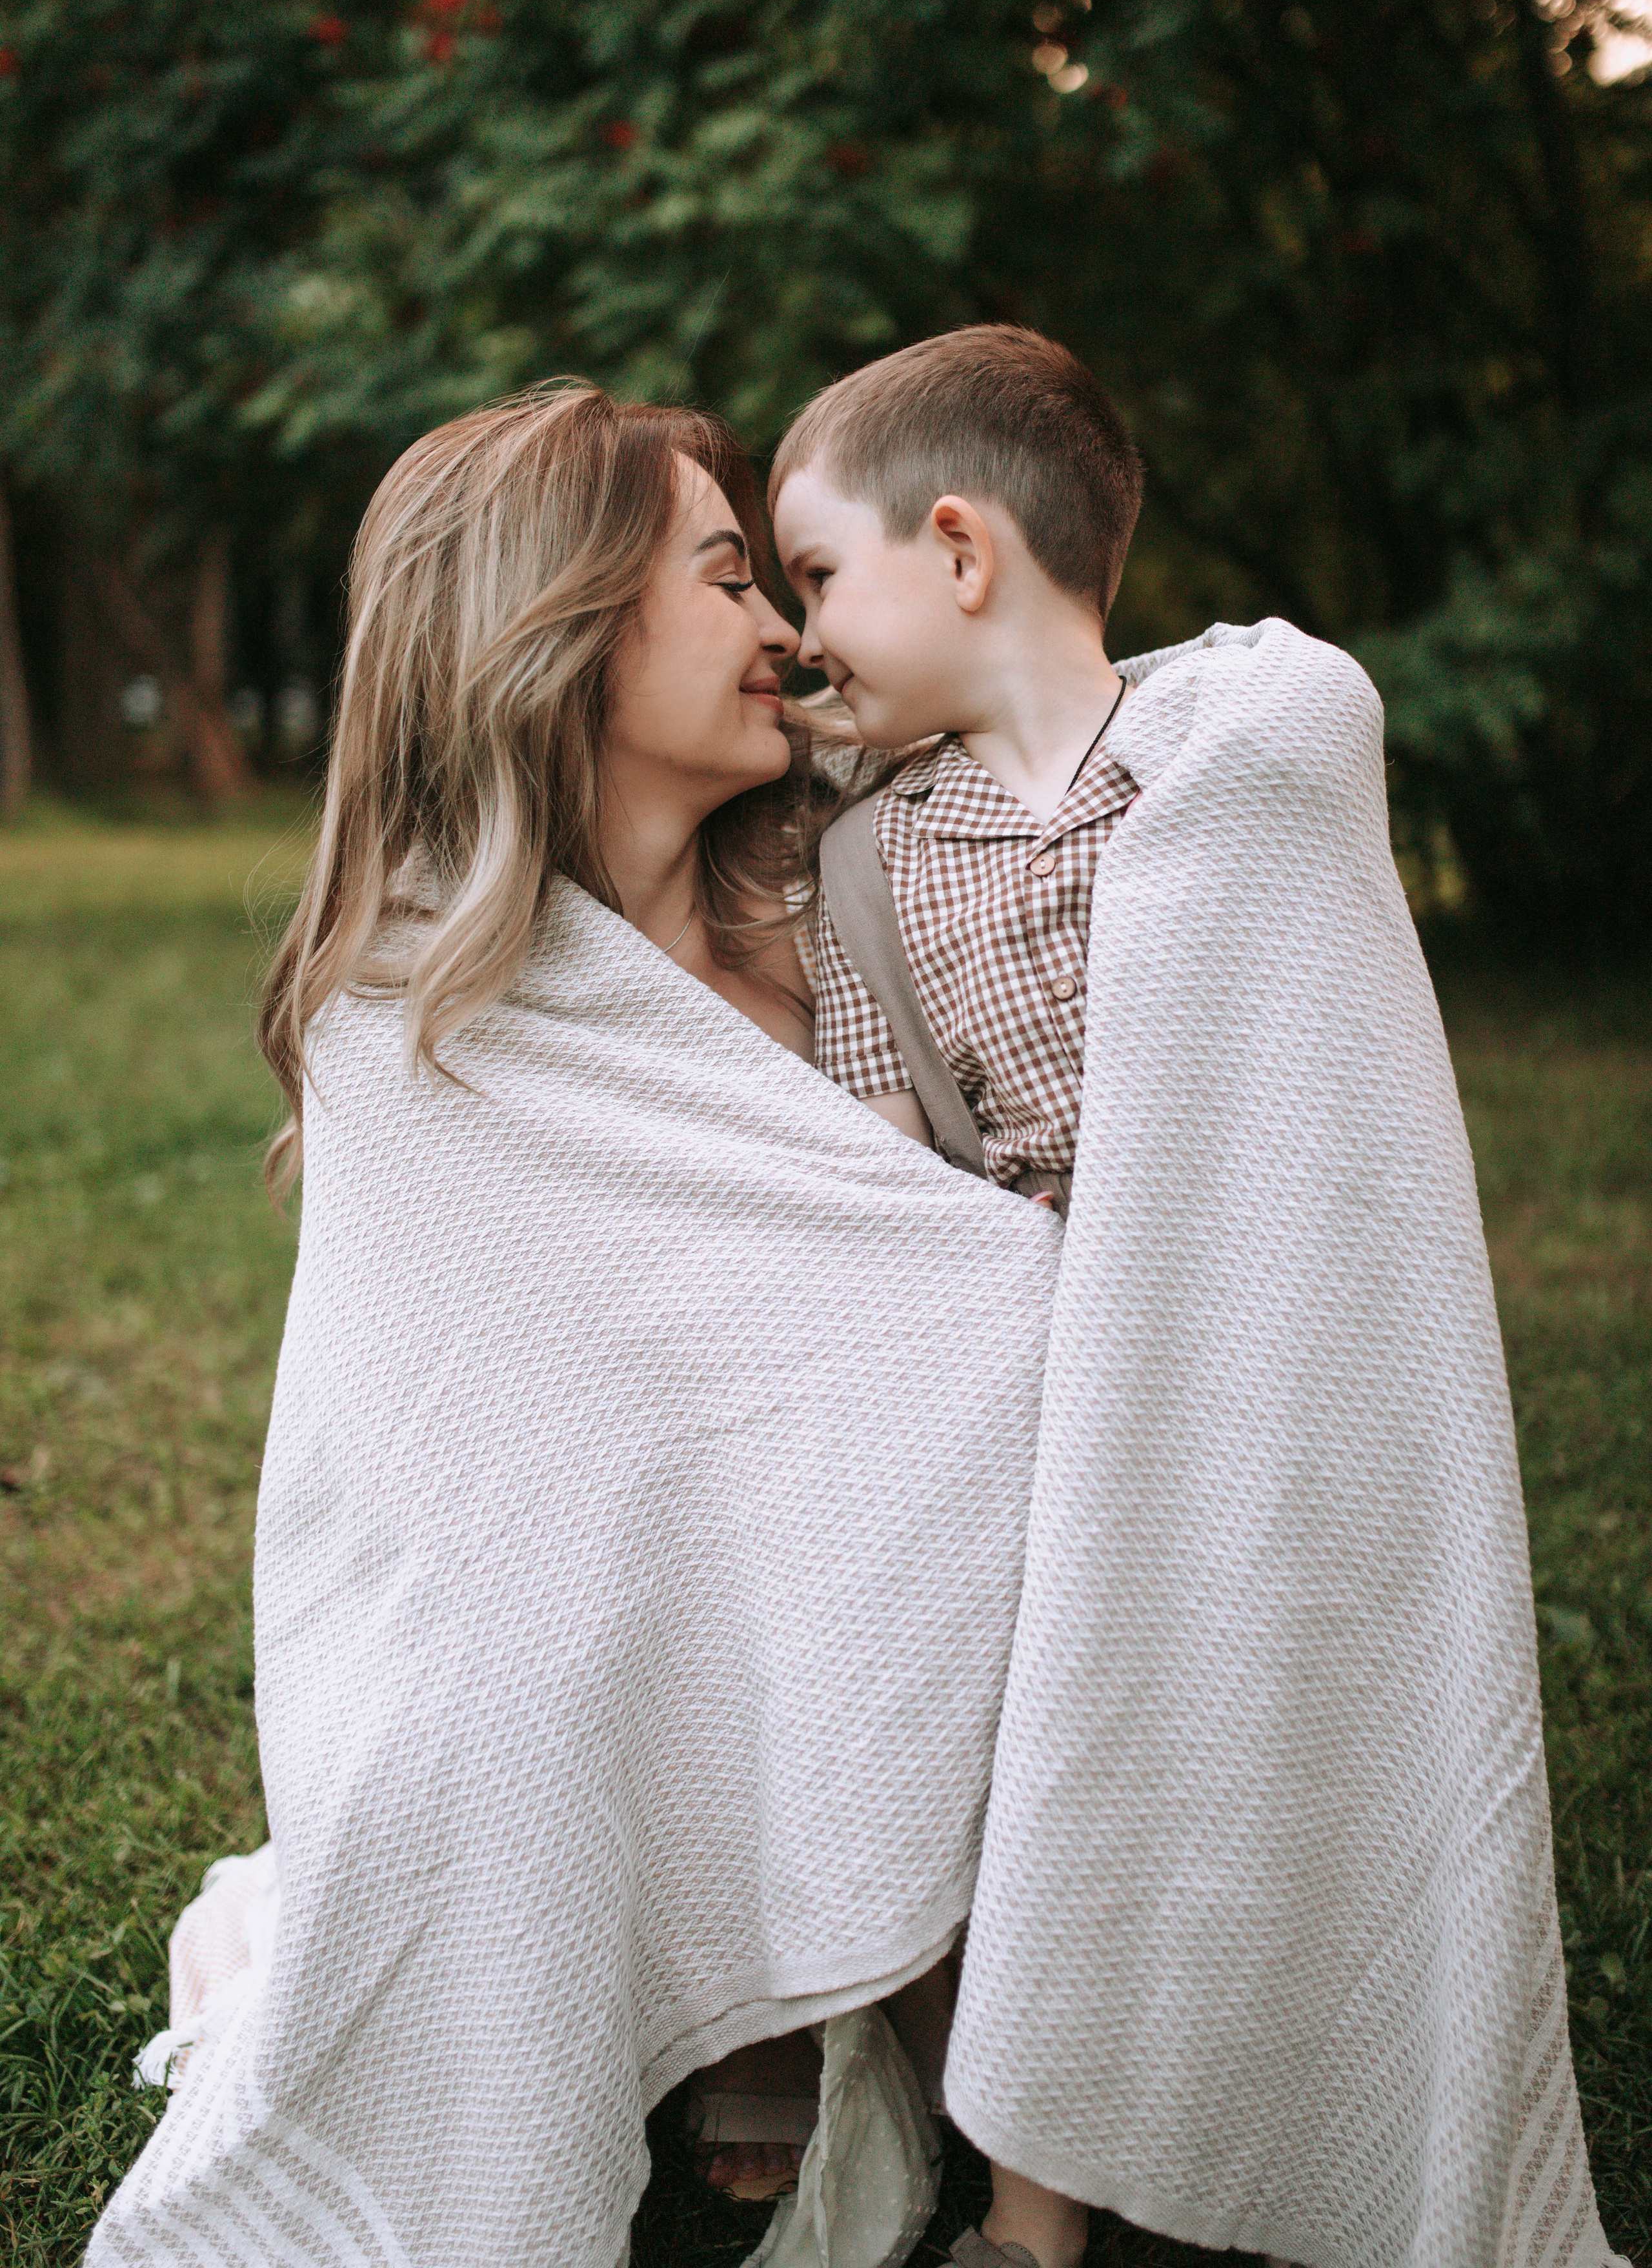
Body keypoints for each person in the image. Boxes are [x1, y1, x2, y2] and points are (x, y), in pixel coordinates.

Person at [87, 383, 1065, 2268]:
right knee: (549, 1592)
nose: (785, 629)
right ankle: (699, 1967)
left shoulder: (865, 907)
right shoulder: (420, 1007)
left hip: (865, 1572)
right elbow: (458, 1481)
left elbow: (931, 1300)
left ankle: (869, 1961)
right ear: (566, 620)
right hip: (565, 1623)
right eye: (726, 576)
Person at [770, 326, 1627, 2268]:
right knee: (1055, 1764)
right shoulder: (869, 857)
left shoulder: (1245, 746)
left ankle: (1314, 2084)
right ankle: (1035, 2209)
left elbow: (1303, 1078)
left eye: (818, 574)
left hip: (1256, 1354)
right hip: (1046, 1360)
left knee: (1261, 1735)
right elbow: (884, 1157)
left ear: (961, 549)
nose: (804, 634)